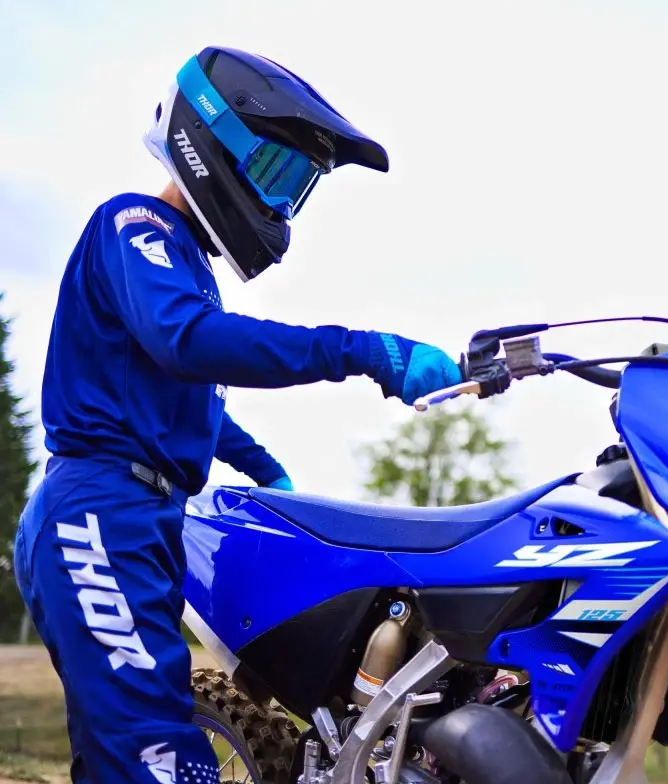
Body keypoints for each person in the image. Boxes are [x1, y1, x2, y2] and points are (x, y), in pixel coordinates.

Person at [12, 46, 462, 783]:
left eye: (296, 185)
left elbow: (189, 403)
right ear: (210, 139)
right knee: (158, 757)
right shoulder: (136, 224)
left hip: (141, 514)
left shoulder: (185, 267)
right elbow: (190, 342)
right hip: (99, 511)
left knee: (123, 752)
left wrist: (265, 471)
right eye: (274, 168)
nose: (279, 200)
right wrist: (360, 350)